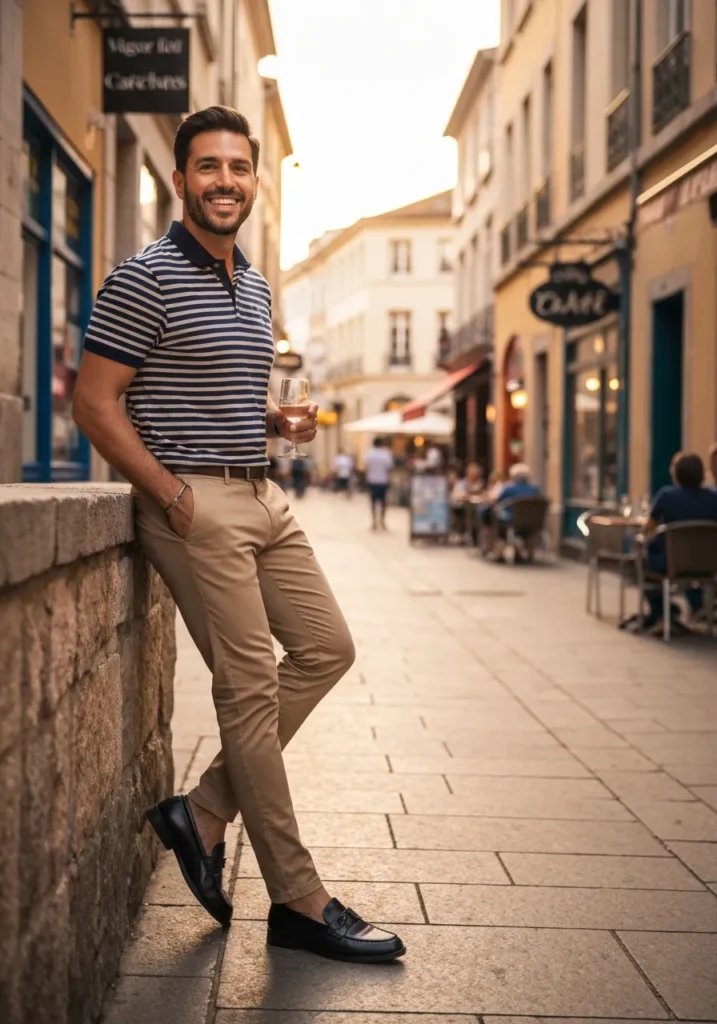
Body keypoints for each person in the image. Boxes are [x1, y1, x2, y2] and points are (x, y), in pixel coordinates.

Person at [71, 106, 405, 965]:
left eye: (240, 167)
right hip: (195, 505)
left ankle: (205, 809)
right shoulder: (143, 276)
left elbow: (208, 385)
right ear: (180, 179)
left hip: (264, 494)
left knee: (327, 648)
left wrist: (273, 422)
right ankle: (298, 898)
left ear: (254, 180)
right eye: (208, 167)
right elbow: (95, 402)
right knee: (249, 685)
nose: (226, 181)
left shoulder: (253, 284)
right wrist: (171, 497)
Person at [642, 451, 717, 632]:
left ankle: (661, 613)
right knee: (692, 558)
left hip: (671, 563)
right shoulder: (714, 498)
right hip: (708, 564)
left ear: (675, 474)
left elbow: (647, 529)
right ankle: (697, 606)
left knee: (643, 563)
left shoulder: (666, 496)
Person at [364, 437, 394, 530]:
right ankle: (382, 520)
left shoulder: (369, 454)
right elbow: (389, 468)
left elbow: (366, 467)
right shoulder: (386, 454)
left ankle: (374, 521)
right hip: (383, 481)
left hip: (372, 480)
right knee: (383, 502)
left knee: (373, 501)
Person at [450, 462, 485, 544]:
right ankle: (465, 534)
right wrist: (466, 495)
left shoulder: (480, 483)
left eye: (476, 475)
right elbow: (455, 496)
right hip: (462, 509)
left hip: (476, 508)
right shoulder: (461, 483)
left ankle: (476, 536)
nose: (474, 477)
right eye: (472, 475)